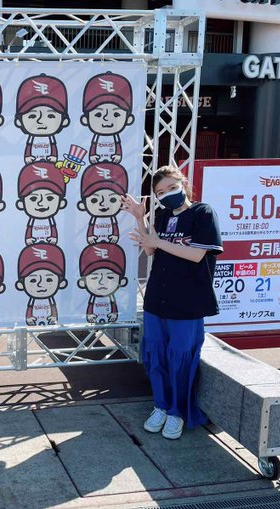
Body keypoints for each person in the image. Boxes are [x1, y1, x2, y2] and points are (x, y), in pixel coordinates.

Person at [121, 166, 223, 440]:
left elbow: (197, 255)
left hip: (187, 303)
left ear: (184, 184)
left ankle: (177, 412)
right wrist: (140, 218)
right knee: (155, 356)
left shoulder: (203, 213)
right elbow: (150, 248)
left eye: (171, 188)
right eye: (160, 192)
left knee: (180, 360)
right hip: (156, 299)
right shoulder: (163, 215)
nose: (166, 195)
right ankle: (161, 406)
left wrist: (158, 241)